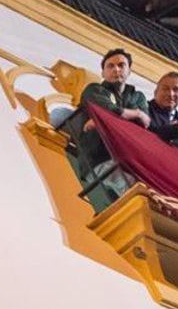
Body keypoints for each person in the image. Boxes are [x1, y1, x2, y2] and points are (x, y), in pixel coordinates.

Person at [60, 49, 148, 210]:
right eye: (110, 66)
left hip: (129, 157)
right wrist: (135, 113)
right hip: (99, 156)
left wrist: (104, 121)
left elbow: (145, 125)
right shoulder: (94, 90)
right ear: (103, 72)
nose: (116, 69)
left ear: (129, 70)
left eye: (121, 65)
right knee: (135, 193)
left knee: (142, 189)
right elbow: (107, 109)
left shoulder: (137, 97)